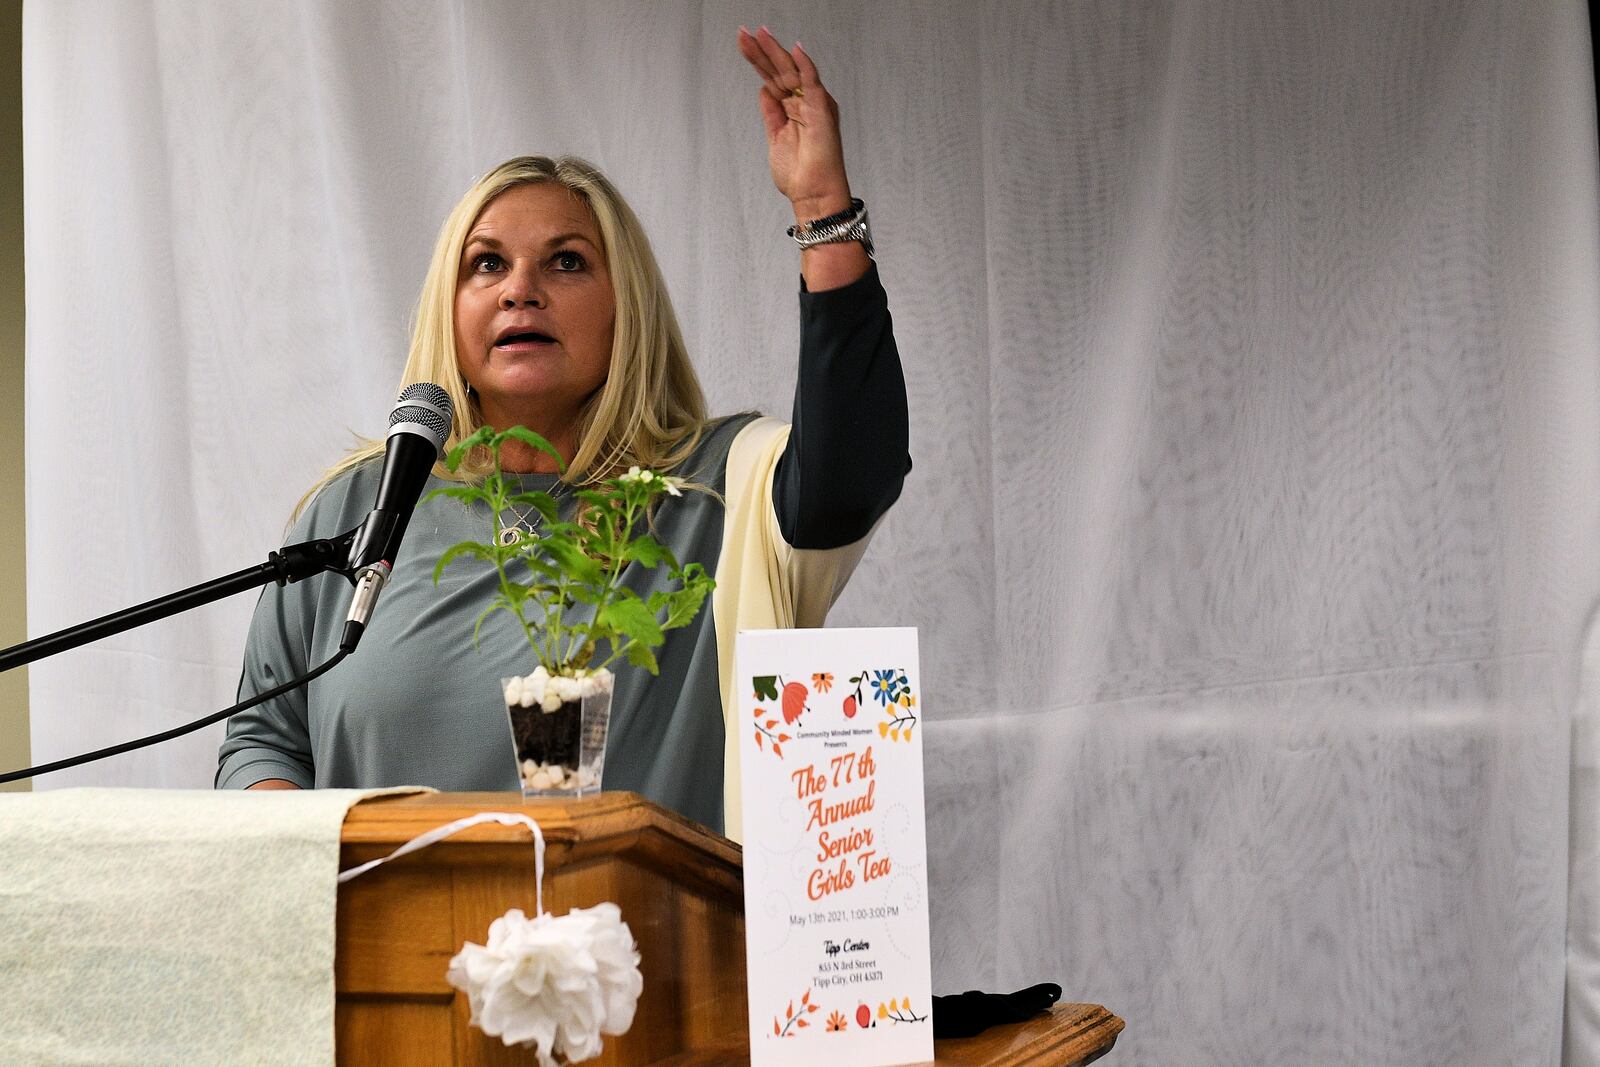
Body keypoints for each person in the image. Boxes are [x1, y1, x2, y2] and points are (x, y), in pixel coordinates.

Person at [216, 28, 908, 840]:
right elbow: (263, 738)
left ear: (627, 308)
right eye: (486, 264)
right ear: (451, 306)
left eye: (568, 262)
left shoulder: (713, 491)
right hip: (385, 958)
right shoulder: (356, 511)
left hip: (636, 959)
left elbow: (849, 475)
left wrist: (822, 212)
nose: (521, 291)